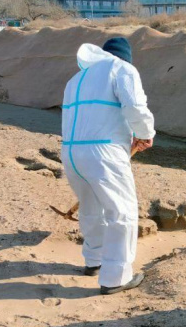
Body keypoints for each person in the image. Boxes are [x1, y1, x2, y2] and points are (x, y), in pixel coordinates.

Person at [61, 38, 155, 295]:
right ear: (125, 56)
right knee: (122, 212)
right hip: (104, 152)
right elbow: (135, 106)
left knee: (91, 208)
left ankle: (94, 261)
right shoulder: (122, 69)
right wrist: (145, 133)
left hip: (71, 152)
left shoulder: (76, 79)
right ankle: (116, 277)